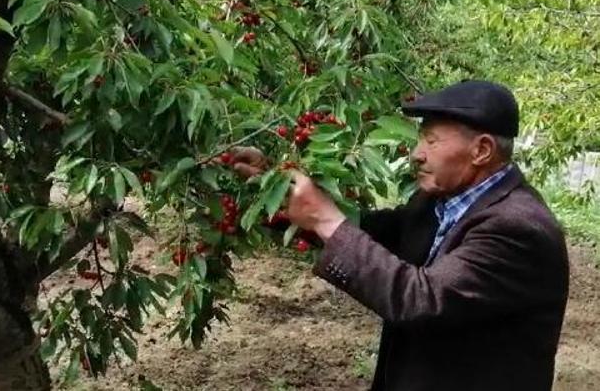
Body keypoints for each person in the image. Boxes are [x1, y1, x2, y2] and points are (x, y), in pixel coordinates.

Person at [231, 80, 569, 391]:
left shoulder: (518, 229)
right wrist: (274, 186)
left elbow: (422, 299)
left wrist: (325, 219)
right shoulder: (438, 202)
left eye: (432, 140)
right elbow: (370, 232)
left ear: (481, 150)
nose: (416, 153)